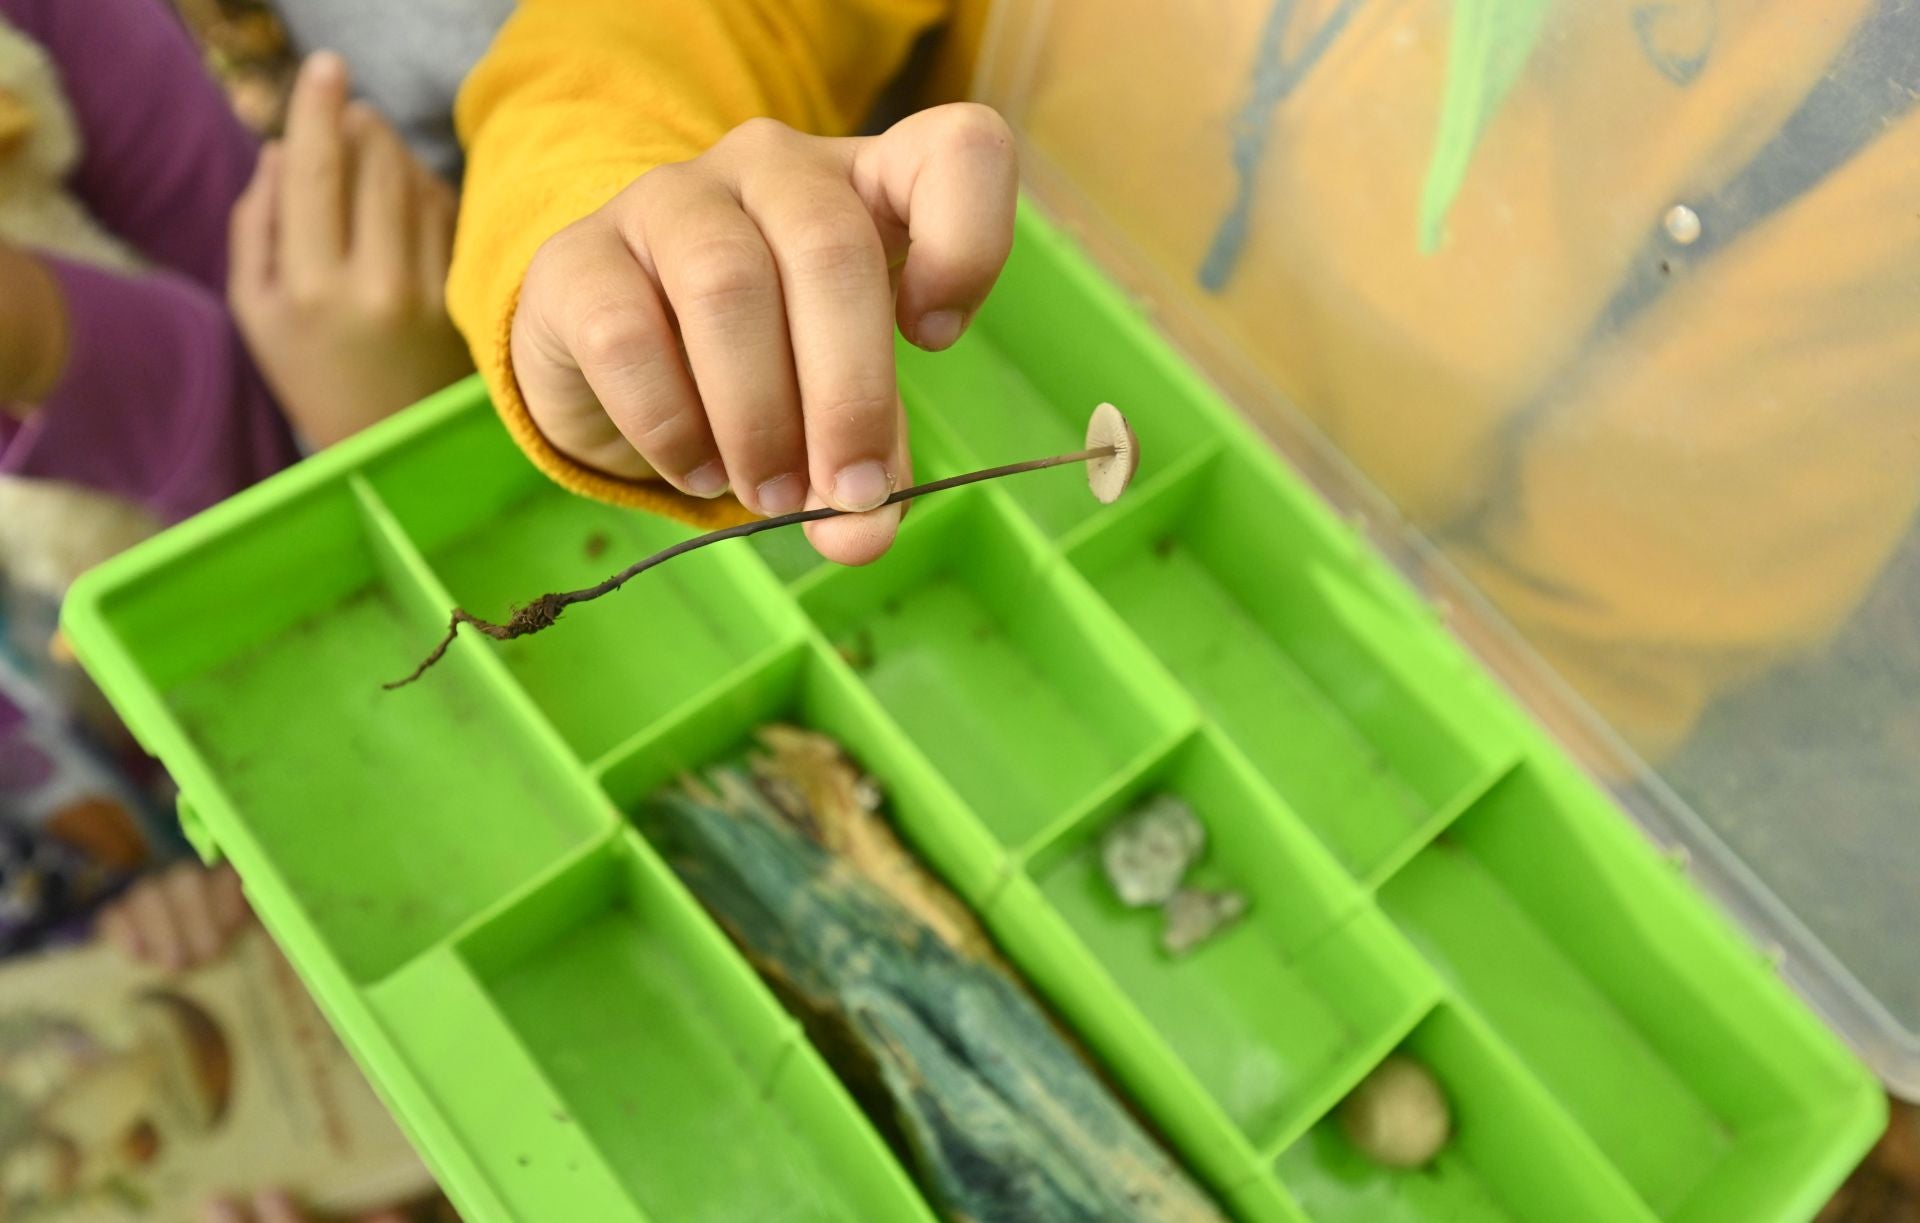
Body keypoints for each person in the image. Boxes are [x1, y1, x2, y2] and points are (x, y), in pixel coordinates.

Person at [440, 0, 1918, 770]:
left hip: (1297, 651)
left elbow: (1596, 649)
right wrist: (614, 220)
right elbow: (647, 44)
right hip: (871, 438)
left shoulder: (1874, 138)